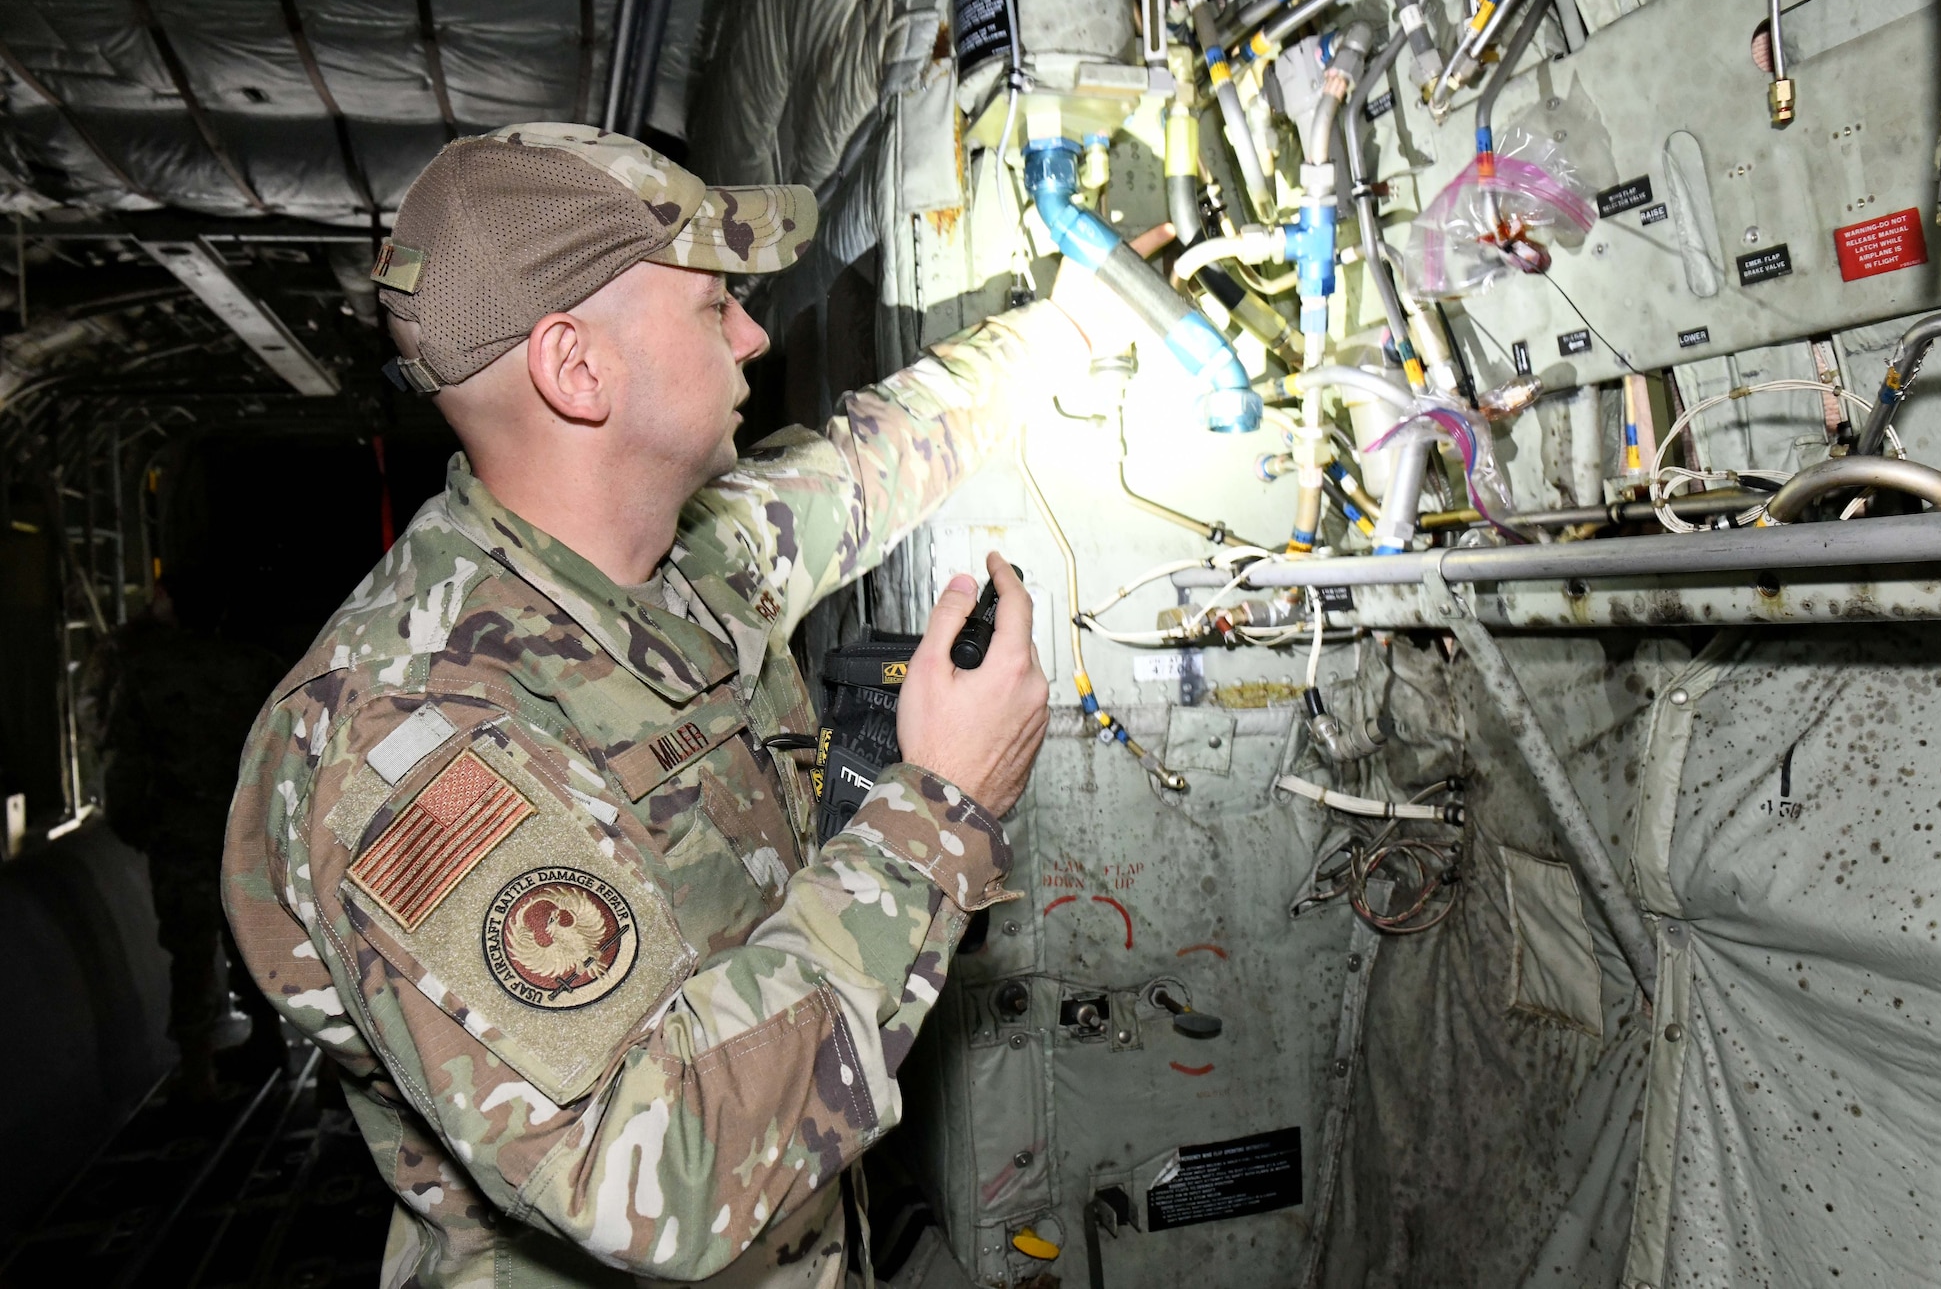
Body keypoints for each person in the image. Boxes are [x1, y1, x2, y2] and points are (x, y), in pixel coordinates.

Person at [222, 121, 1149, 1287]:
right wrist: (941, 806)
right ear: (577, 367)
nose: (755, 333)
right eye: (714, 307)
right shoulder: (403, 738)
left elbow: (879, 459)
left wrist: (1068, 329)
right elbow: (650, 1172)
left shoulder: (686, 566)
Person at [90, 566, 287, 1099]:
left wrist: (134, 824)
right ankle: (271, 1042)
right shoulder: (255, 666)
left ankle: (197, 1074)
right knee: (253, 939)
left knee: (190, 949)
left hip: (182, 835)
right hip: (246, 832)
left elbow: (126, 760)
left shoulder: (146, 672)